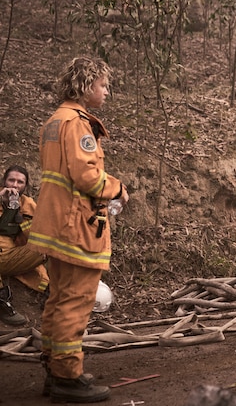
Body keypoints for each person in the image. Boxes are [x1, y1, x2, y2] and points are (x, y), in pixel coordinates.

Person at [30, 56, 128, 403]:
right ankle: (68, 377)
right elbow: (87, 176)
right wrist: (116, 188)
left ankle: (53, 366)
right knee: (75, 301)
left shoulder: (54, 121)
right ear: (86, 87)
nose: (107, 91)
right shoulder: (77, 123)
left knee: (58, 299)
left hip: (55, 225)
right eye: (103, 85)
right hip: (76, 228)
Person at [0, 165, 50, 325]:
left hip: (14, 256)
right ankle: (3, 304)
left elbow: (40, 235)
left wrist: (19, 215)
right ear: (4, 181)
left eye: (20, 182)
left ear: (25, 186)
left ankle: (58, 294)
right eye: (11, 180)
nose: (15, 185)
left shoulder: (28, 204)